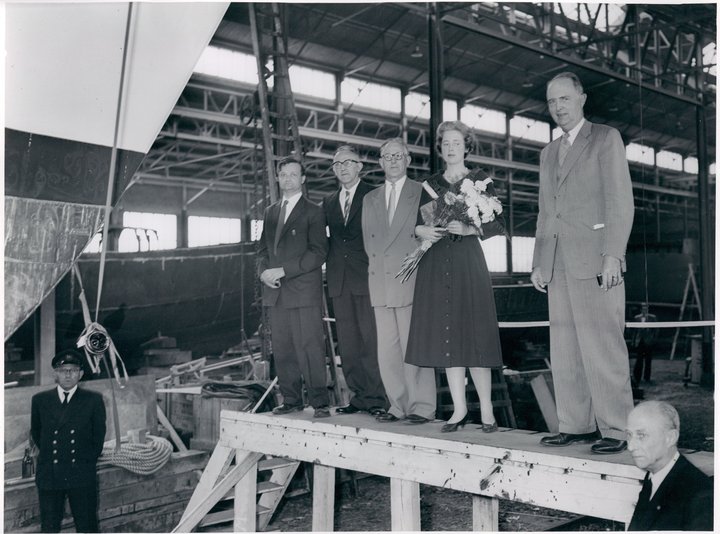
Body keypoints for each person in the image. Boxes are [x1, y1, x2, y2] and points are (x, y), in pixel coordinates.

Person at [531, 71, 635, 454]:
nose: (558, 107)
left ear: (582, 98)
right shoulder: (547, 153)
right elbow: (546, 212)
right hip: (557, 264)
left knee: (604, 346)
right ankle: (576, 425)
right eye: (551, 101)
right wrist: (539, 262)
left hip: (596, 261)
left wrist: (613, 254)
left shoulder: (605, 138)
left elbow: (619, 200)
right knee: (565, 350)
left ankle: (617, 428)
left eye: (564, 98)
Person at [406, 121, 505, 433]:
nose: (451, 148)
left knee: (474, 334)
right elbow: (417, 223)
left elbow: (498, 224)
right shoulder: (430, 184)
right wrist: (423, 230)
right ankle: (459, 409)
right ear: (440, 148)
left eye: (456, 143)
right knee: (448, 334)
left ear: (466, 146)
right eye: (446, 143)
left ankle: (486, 410)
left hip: (467, 262)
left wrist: (469, 228)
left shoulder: (479, 181)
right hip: (436, 263)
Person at [362, 138, 436, 424]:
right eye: (387, 157)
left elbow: (433, 232)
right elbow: (369, 243)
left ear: (408, 160)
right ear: (380, 162)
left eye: (398, 156)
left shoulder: (423, 191)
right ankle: (397, 405)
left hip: (410, 278)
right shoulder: (370, 198)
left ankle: (422, 407)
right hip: (380, 282)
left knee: (414, 347)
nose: (393, 161)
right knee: (388, 350)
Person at [258, 156, 331, 418]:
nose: (288, 179)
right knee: (283, 348)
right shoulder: (270, 212)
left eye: (293, 174)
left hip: (303, 291)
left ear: (302, 179)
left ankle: (320, 402)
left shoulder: (314, 211)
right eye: (283, 174)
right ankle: (291, 400)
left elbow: (318, 252)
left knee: (310, 347)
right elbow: (262, 250)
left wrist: (284, 270)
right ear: (278, 178)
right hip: (276, 293)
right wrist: (263, 273)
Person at [323, 145, 387, 417]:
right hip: (339, 281)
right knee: (348, 344)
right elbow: (323, 241)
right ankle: (358, 397)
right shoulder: (328, 202)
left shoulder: (375, 195)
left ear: (360, 167)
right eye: (337, 164)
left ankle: (378, 399)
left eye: (348, 162)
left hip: (368, 278)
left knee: (371, 341)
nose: (342, 168)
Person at [31, 349, 106, 533]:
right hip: (50, 474)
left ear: (81, 374)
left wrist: (84, 462)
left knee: (87, 526)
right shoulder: (40, 400)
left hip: (80, 473)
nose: (68, 374)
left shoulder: (93, 400)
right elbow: (37, 433)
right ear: (55, 374)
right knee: (49, 526)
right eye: (63, 370)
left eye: (73, 370)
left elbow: (98, 439)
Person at [626, 401, 713, 531]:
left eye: (641, 435)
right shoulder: (654, 476)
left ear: (670, 438)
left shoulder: (699, 494)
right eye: (629, 435)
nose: (630, 446)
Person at [632, 303, 657, 384]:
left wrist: (653, 339)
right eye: (643, 309)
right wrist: (634, 341)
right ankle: (637, 377)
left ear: (648, 309)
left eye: (646, 309)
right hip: (640, 341)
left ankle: (647, 377)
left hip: (648, 341)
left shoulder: (652, 318)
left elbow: (656, 330)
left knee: (648, 360)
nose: (644, 310)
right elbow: (635, 331)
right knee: (639, 360)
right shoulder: (637, 318)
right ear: (641, 309)